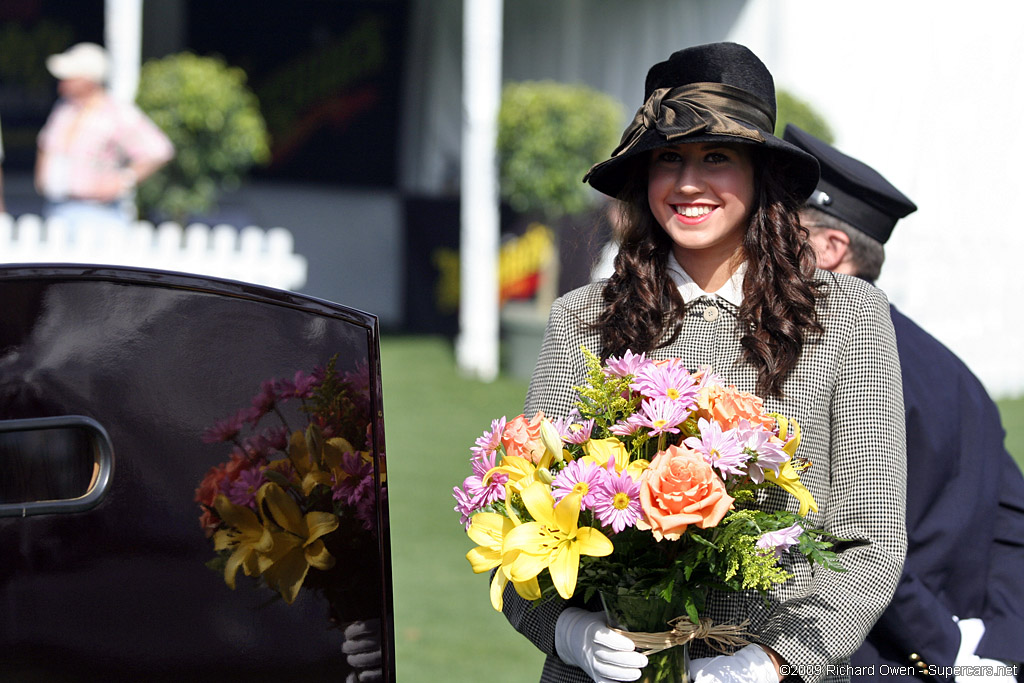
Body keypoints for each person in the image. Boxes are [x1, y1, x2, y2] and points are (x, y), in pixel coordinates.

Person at [501, 42, 908, 683]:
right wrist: (568, 631)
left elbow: (873, 540)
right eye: (670, 159)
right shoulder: (582, 317)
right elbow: (520, 521)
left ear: (759, 174)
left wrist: (776, 660)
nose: (689, 184)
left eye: (716, 157)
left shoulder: (850, 317)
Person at [784, 124, 1024, 683]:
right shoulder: (952, 368)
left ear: (829, 249)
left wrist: (944, 646)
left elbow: (844, 534)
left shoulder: (819, 359)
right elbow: (1013, 524)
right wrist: (993, 651)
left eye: (779, 229)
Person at [35, 42, 174, 237]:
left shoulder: (115, 112)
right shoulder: (64, 109)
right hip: (57, 208)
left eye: (69, 77)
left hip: (98, 216)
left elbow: (158, 149)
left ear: (88, 80)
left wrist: (124, 181)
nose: (62, 82)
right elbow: (47, 146)